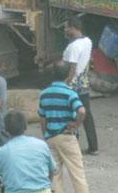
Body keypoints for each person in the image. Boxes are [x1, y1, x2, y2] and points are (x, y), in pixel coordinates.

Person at [0, 111, 57, 193]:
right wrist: (47, 186)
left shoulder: (1, 152)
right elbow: (52, 169)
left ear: (6, 129)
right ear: (25, 126)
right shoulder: (41, 145)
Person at [38, 62, 89, 193]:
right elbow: (82, 111)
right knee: (77, 174)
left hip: (51, 137)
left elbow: (42, 118)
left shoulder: (44, 94)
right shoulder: (70, 93)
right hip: (67, 137)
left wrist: (46, 135)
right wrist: (76, 124)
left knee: (55, 174)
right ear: (68, 75)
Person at [62, 16, 97, 155]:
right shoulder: (88, 41)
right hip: (84, 84)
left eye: (66, 27)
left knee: (71, 114)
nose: (65, 30)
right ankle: (94, 146)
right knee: (87, 115)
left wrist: (65, 84)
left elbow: (72, 68)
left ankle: (73, 146)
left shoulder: (73, 46)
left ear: (72, 28)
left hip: (73, 86)